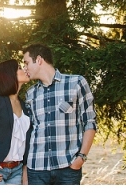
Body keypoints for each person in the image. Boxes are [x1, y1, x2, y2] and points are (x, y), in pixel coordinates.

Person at [22, 43, 97, 185]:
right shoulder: (30, 93)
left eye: (26, 63)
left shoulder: (76, 83)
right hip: (37, 169)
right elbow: (29, 131)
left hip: (68, 168)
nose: (25, 68)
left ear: (38, 60)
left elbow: (90, 122)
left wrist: (81, 158)